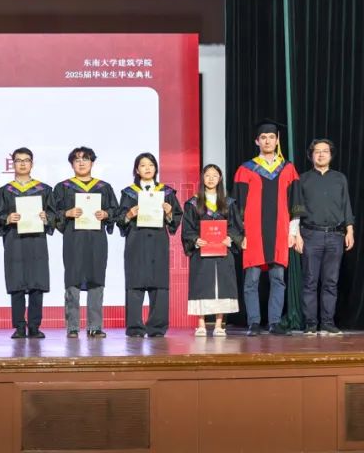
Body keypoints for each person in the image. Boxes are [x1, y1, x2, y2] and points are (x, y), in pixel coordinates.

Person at [233, 119, 300, 336]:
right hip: (253, 233)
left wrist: (293, 231)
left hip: (280, 231)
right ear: (257, 141)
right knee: (251, 280)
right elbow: (238, 205)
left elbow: (295, 203)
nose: (268, 141)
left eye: (272, 137)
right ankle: (253, 322)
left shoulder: (288, 168)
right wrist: (240, 233)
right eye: (263, 137)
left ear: (277, 140)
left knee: (278, 278)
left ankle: (274, 322)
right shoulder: (245, 169)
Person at [53, 146, 118, 339]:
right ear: (72, 164)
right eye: (77, 159)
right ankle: (72, 327)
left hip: (97, 240)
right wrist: (67, 213)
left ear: (92, 162)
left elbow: (115, 211)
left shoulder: (104, 187)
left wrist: (106, 214)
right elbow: (52, 214)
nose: (81, 163)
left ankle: (95, 326)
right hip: (74, 239)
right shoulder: (63, 187)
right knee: (72, 280)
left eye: (85, 159)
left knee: (96, 279)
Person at [117, 152, 184, 338]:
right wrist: (129, 215)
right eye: (143, 165)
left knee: (159, 285)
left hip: (158, 242)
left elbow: (176, 218)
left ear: (155, 168)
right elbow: (119, 219)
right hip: (136, 242)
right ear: (137, 170)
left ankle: (156, 327)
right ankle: (135, 328)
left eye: (151, 165)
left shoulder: (167, 193)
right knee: (135, 284)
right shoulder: (129, 193)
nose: (147, 168)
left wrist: (169, 213)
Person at [294, 138, 354, 336]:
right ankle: (311, 324)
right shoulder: (303, 179)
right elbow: (296, 209)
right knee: (310, 281)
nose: (321, 154)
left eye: (325, 151)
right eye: (317, 151)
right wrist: (297, 235)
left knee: (331, 282)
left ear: (331, 154)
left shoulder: (340, 178)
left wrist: (350, 230)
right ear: (311, 155)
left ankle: (328, 323)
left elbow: (346, 206)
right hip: (310, 235)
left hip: (336, 236)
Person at [0, 147, 54, 339]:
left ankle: (35, 326)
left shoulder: (44, 190)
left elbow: (54, 215)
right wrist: (7, 218)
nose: (22, 164)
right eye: (18, 160)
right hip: (15, 241)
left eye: (26, 160)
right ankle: (19, 326)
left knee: (37, 284)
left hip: (36, 241)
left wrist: (47, 217)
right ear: (13, 164)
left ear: (32, 164)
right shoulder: (4, 191)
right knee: (17, 284)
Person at [180, 164, 243, 336]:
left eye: (215, 175)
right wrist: (195, 239)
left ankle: (218, 325)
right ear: (202, 178)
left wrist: (230, 238)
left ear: (220, 178)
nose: (211, 179)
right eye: (207, 175)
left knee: (222, 286)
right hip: (202, 252)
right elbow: (187, 229)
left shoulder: (229, 203)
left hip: (223, 252)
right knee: (201, 285)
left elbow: (236, 227)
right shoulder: (193, 203)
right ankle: (201, 324)